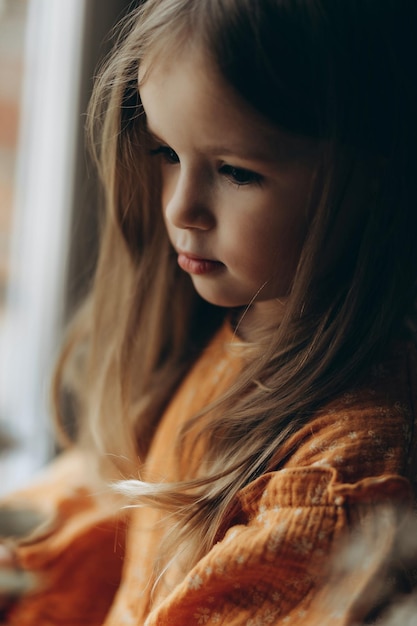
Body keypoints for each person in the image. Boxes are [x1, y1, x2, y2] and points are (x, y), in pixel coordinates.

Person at [1, 0, 417, 623]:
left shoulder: (338, 482)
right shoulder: (227, 326)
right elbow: (118, 511)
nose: (180, 208)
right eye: (167, 154)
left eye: (235, 172)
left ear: (372, 176)